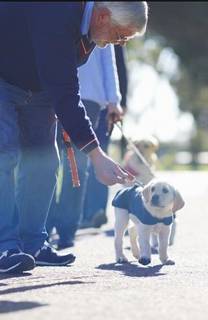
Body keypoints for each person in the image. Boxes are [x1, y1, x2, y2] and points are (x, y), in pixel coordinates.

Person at [0, 2, 148, 274]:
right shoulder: (58, 11)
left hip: (38, 87)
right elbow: (66, 93)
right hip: (4, 76)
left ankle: (32, 243)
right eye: (120, 36)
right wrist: (96, 154)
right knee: (4, 152)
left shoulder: (91, 27)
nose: (119, 44)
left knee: (45, 163)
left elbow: (62, 83)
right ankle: (4, 246)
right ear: (103, 16)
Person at [46, 45, 123, 250]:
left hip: (89, 96)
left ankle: (66, 230)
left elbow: (108, 61)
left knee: (76, 167)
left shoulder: (102, 16)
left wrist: (114, 100)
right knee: (48, 161)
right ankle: (43, 227)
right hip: (53, 90)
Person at [81, 45, 129, 229]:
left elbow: (117, 66)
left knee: (94, 155)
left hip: (100, 102)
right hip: (100, 98)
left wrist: (118, 102)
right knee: (94, 154)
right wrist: (117, 101)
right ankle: (91, 211)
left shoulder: (113, 29)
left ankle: (93, 212)